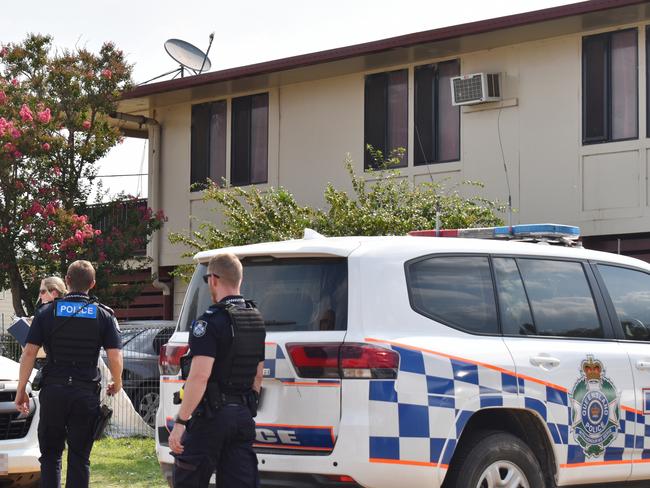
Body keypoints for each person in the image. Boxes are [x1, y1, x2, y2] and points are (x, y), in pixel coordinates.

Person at [14, 260, 123, 488]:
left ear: (67, 281)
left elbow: (29, 353)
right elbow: (115, 356)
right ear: (92, 284)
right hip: (85, 394)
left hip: (53, 392)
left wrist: (21, 389)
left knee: (51, 455)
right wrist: (117, 382)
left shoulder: (46, 313)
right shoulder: (103, 315)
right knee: (80, 457)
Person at [169, 253, 266, 488]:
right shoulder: (255, 318)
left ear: (213, 279)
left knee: (188, 477)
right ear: (239, 280)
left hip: (212, 416)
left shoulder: (209, 322)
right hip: (243, 415)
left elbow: (200, 376)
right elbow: (258, 373)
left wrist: (181, 422)